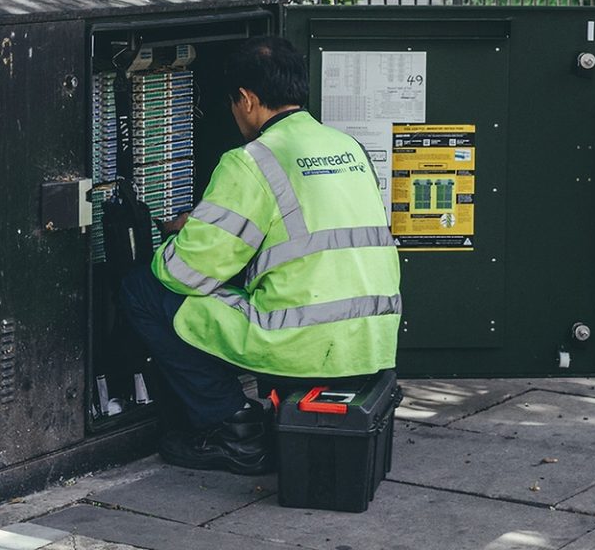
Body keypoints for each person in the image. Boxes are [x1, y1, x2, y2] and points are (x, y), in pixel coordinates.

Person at [119, 36, 402, 475]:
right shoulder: (348, 148)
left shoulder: (251, 161)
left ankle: (234, 431)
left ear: (247, 100)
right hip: (370, 343)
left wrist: (176, 237)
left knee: (142, 289)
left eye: (233, 105)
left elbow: (184, 272)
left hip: (303, 344)